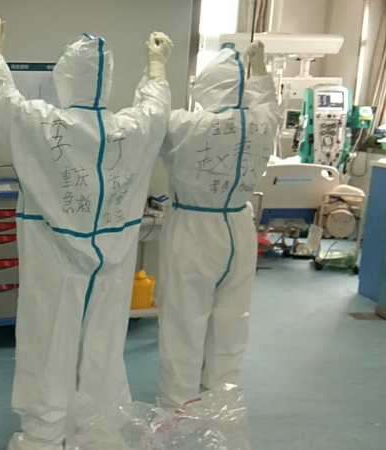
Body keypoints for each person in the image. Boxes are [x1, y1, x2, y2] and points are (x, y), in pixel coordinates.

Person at [0, 10, 172, 450]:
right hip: (112, 261)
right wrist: (155, 68)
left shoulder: (43, 123)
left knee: (48, 348)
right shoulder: (131, 129)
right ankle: (99, 433)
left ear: (65, 77)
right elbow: (156, 109)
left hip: (54, 261)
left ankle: (43, 436)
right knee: (103, 349)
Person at [157, 41, 280, 408]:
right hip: (239, 226)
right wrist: (260, 72)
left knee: (183, 320)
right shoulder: (262, 123)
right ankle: (222, 402)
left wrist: (156, 69)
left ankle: (179, 405)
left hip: (194, 227)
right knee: (231, 321)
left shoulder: (186, 124)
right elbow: (269, 103)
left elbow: (150, 122)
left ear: (207, 86)